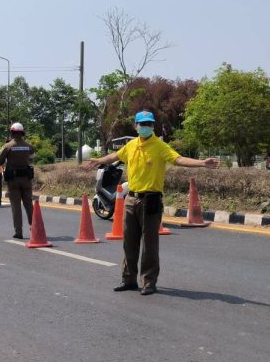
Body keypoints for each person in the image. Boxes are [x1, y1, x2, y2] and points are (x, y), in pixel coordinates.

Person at [83, 111, 219, 296]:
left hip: (151, 200)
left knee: (149, 244)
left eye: (149, 124)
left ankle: (148, 282)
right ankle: (128, 280)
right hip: (131, 199)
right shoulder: (131, 145)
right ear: (136, 126)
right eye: (143, 124)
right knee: (129, 242)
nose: (147, 127)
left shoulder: (160, 146)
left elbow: (178, 159)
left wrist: (202, 163)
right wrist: (99, 160)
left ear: (153, 126)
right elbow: (116, 156)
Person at [0, 122, 35, 239]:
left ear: (12, 133)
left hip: (13, 180)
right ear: (22, 133)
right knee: (29, 205)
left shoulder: (7, 146)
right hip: (26, 179)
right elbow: (31, 158)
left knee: (16, 206)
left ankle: (19, 232)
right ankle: (35, 230)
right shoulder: (29, 147)